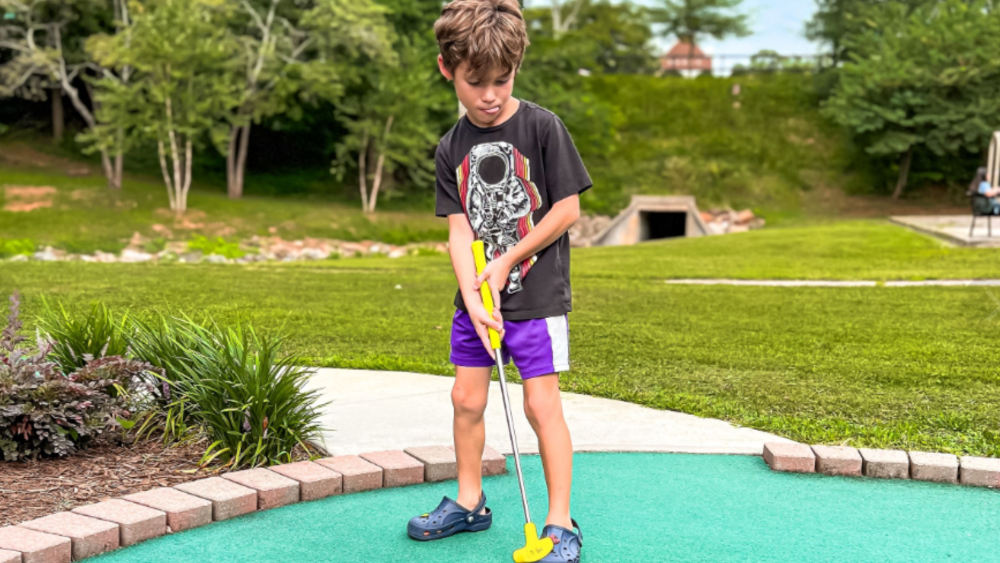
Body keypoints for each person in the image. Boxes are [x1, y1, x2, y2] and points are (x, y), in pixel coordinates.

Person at [407, 1, 591, 561]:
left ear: (515, 70)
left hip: (535, 298)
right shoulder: (450, 148)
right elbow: (459, 232)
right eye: (475, 81)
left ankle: (560, 521)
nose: (490, 94)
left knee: (540, 406)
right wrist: (472, 296)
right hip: (478, 301)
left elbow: (566, 211)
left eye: (501, 80)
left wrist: (509, 258)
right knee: (466, 398)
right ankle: (469, 503)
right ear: (448, 70)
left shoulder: (541, 126)